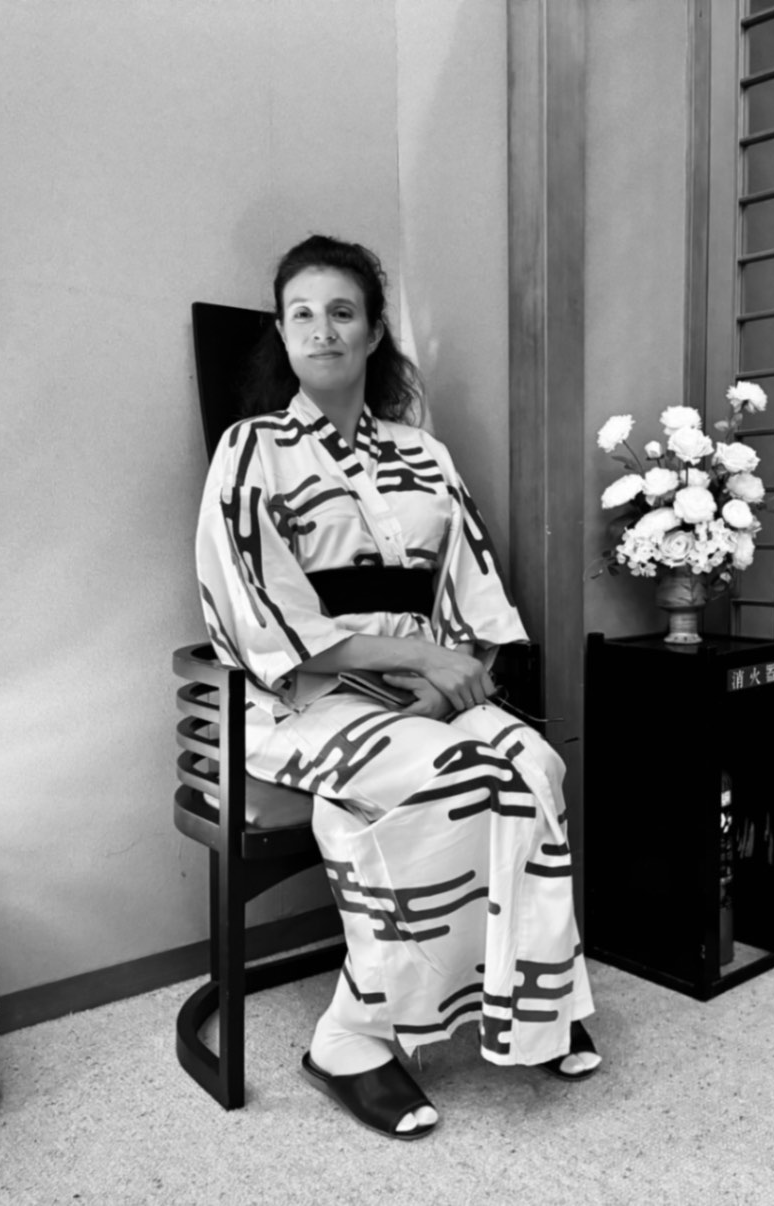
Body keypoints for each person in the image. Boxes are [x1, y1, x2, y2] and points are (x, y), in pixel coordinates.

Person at [194, 234, 599, 1140]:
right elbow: (257, 611)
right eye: (301, 314)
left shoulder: (425, 454)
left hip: (423, 691)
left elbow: (472, 589)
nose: (321, 330)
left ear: (373, 332)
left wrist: (463, 679)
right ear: (281, 333)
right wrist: (417, 663)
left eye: (342, 312)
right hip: (303, 699)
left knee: (531, 761)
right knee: (461, 780)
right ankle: (353, 1037)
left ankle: (522, 1001)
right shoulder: (249, 449)